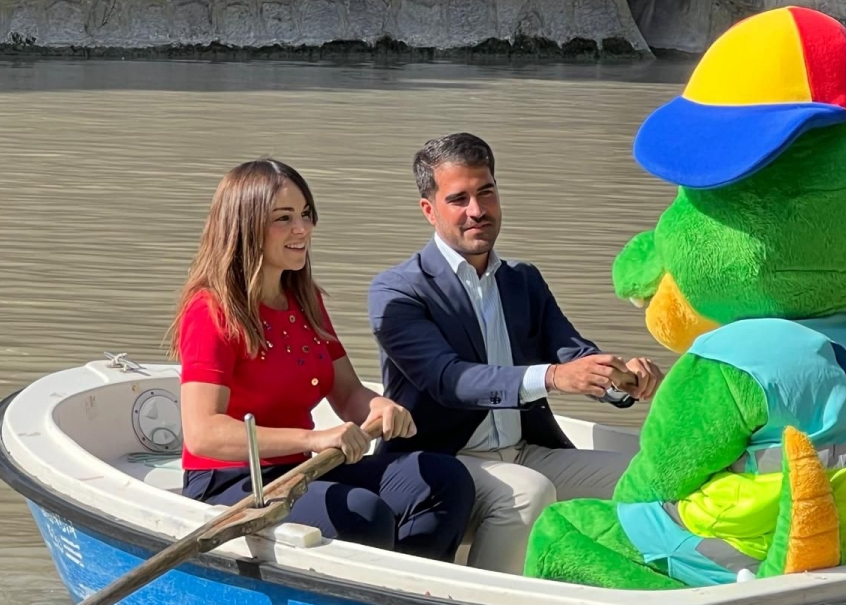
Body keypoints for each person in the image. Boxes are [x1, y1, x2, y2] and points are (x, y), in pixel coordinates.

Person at [367, 132, 664, 575]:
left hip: (527, 449)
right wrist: (553, 378)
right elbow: (449, 380)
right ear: (429, 210)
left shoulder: (522, 279)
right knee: (529, 492)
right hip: (444, 463)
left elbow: (573, 352)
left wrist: (623, 379)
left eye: (486, 191)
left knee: (650, 477)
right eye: (459, 198)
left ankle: (617, 594)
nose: (477, 210)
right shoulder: (399, 290)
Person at [166, 158, 475, 561]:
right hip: (229, 483)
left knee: (443, 479)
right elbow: (203, 433)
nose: (302, 229)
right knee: (363, 516)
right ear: (244, 225)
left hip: (298, 471)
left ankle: (413, 599)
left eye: (306, 214)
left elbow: (346, 392)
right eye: (284, 218)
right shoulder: (210, 310)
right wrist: (312, 439)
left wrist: (379, 405)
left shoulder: (305, 299)